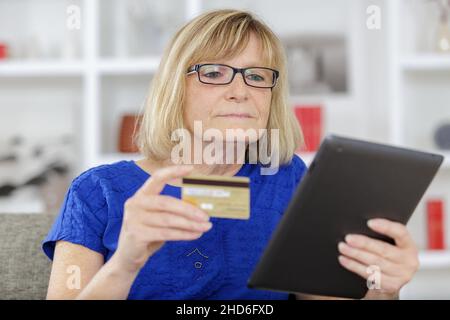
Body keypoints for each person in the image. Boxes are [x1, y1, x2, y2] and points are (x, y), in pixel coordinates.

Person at [43, 9, 419, 300]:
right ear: (177, 87)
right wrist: (125, 262)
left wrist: (382, 285)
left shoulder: (286, 179)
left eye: (256, 76)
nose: (241, 91)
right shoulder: (97, 192)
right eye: (215, 72)